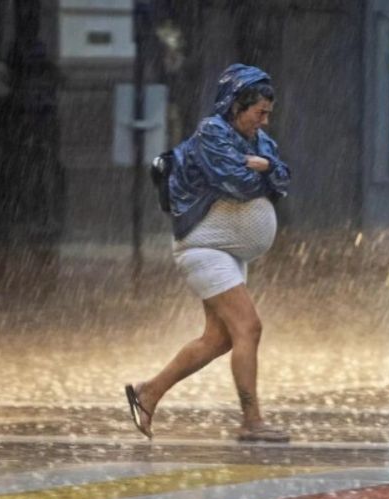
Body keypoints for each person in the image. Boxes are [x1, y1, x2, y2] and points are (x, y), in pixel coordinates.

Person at [125, 63, 291, 443]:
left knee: (219, 339)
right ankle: (252, 422)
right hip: (203, 247)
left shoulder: (256, 141)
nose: (264, 122)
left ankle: (147, 393)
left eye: (268, 114)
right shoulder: (211, 133)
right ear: (236, 106)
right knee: (249, 327)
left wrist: (266, 168)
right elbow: (239, 183)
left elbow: (283, 176)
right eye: (259, 112)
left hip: (226, 251)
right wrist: (265, 172)